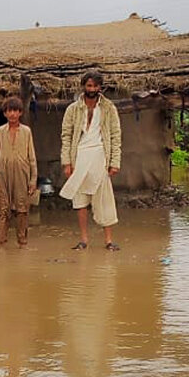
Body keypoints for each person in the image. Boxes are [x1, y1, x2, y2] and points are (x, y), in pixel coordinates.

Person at [58, 71, 122, 251]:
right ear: (83, 87)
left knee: (104, 198)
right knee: (80, 200)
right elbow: (66, 135)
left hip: (100, 155)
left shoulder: (109, 108)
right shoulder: (73, 109)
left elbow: (116, 135)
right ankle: (84, 239)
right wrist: (67, 162)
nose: (91, 89)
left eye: (95, 86)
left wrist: (115, 162)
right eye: (88, 86)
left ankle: (108, 240)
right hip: (79, 156)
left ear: (100, 87)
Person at [0, 96, 38, 247]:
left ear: (20, 113)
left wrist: (33, 180)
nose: (12, 114)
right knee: (2, 210)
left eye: (15, 111)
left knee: (22, 210)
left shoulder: (26, 132)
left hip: (22, 175)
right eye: (9, 111)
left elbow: (32, 157)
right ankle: (2, 243)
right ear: (5, 113)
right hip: (3, 175)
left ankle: (22, 242)